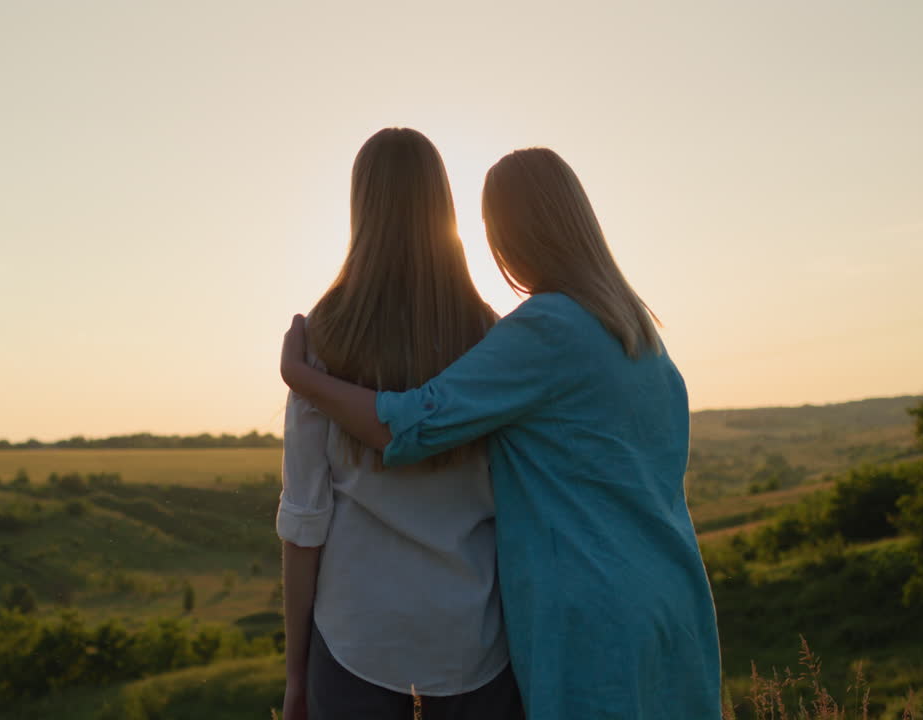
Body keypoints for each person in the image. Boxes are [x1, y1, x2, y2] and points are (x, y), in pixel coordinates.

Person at [280, 147, 722, 719]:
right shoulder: (637, 333)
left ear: (515, 233)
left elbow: (412, 424)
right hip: (673, 600)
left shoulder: (543, 330)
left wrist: (303, 380)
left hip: (588, 617)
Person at [276, 127, 522, 720]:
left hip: (356, 645)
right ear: (443, 205)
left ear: (361, 207)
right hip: (474, 648)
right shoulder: (492, 337)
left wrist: (295, 674)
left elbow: (305, 522)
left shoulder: (319, 342)